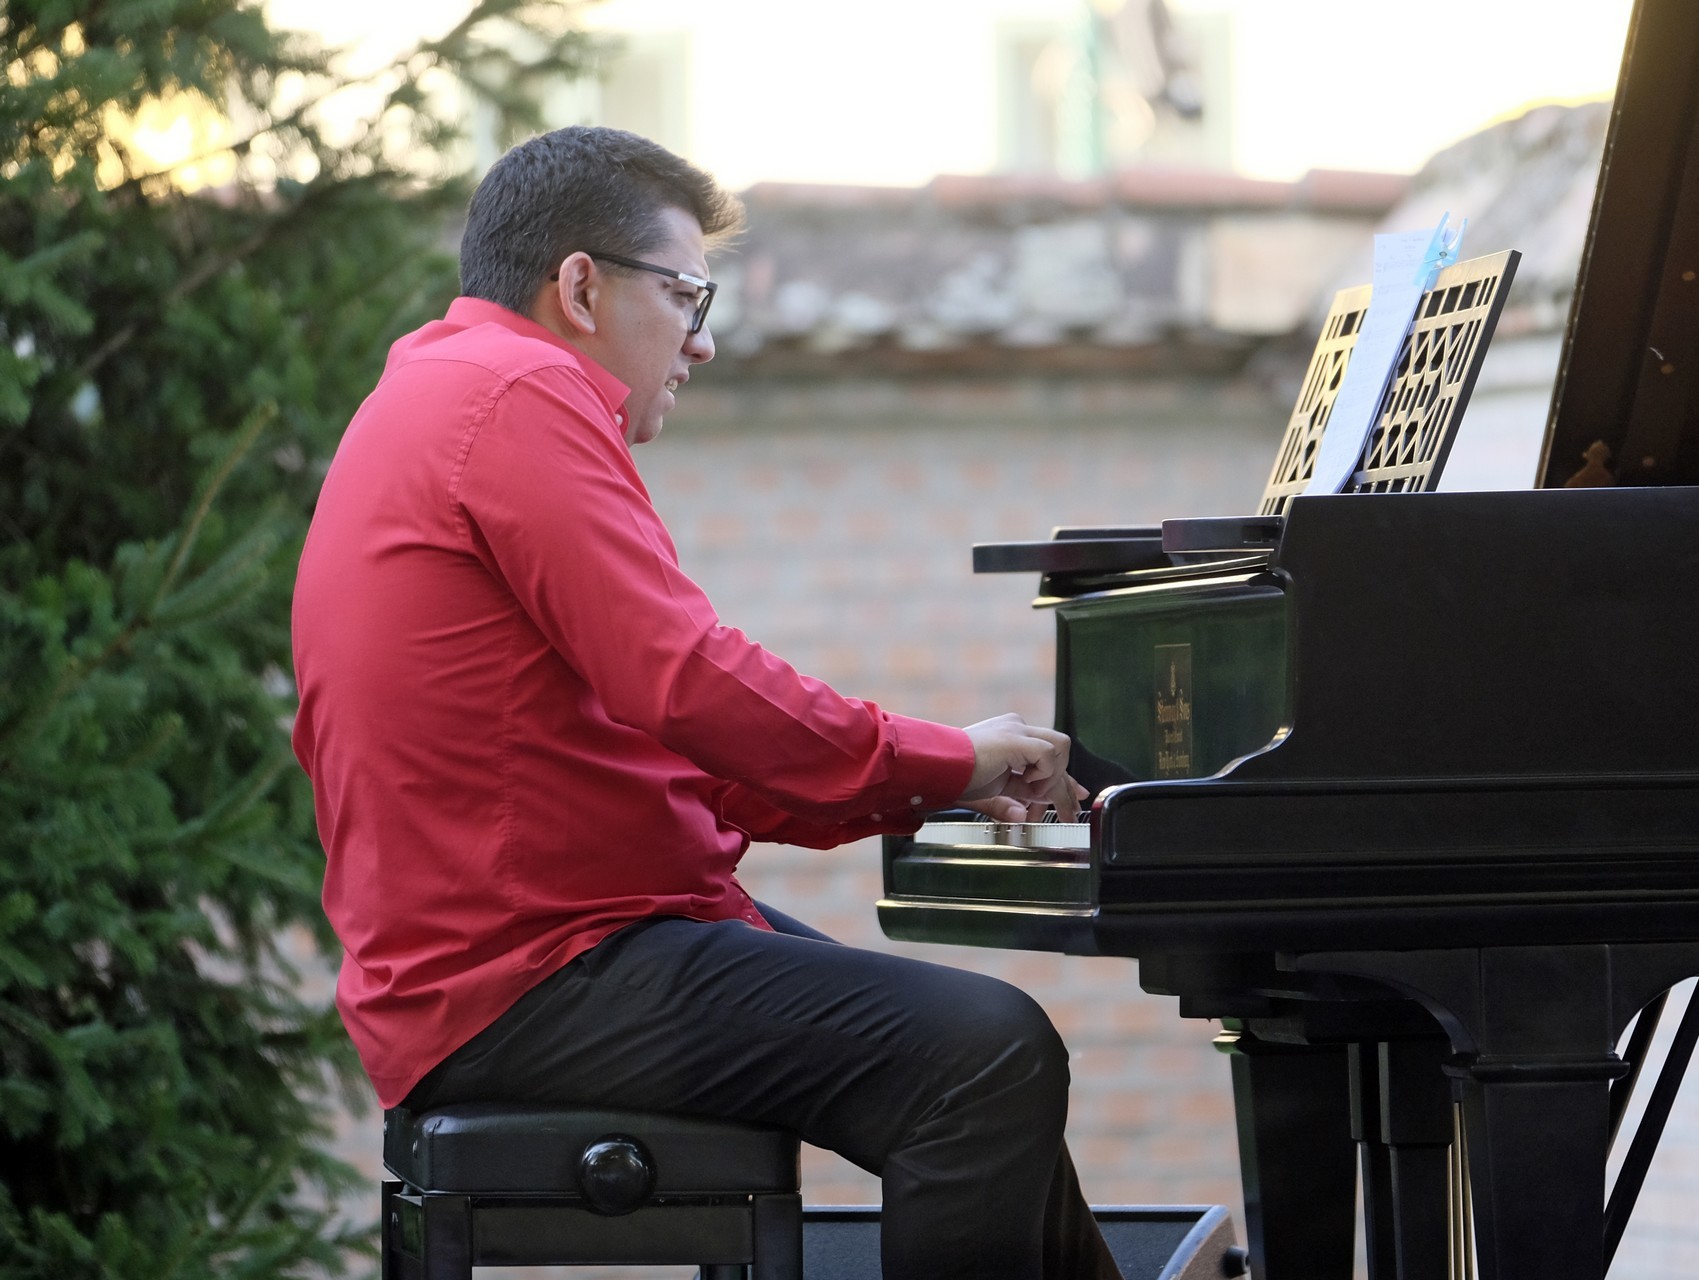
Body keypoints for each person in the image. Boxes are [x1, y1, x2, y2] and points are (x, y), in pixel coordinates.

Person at [290, 125, 1120, 1279]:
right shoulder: (518, 390)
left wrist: (930, 781)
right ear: (582, 287)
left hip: (524, 950)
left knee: (981, 1065)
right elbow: (683, 677)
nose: (704, 339)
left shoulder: (442, 386)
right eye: (686, 295)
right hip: (528, 974)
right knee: (984, 1051)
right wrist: (939, 758)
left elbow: (651, 735)